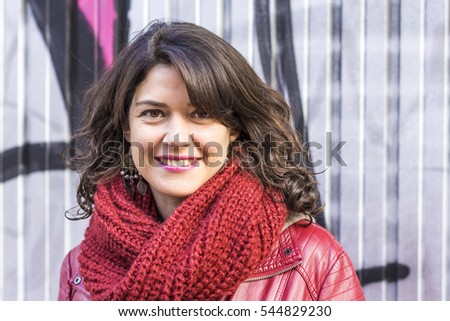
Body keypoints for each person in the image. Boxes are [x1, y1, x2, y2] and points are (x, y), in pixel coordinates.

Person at [58, 19, 365, 301]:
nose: (177, 138)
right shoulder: (79, 270)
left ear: (233, 128)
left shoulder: (311, 260)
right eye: (153, 113)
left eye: (201, 114)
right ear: (126, 126)